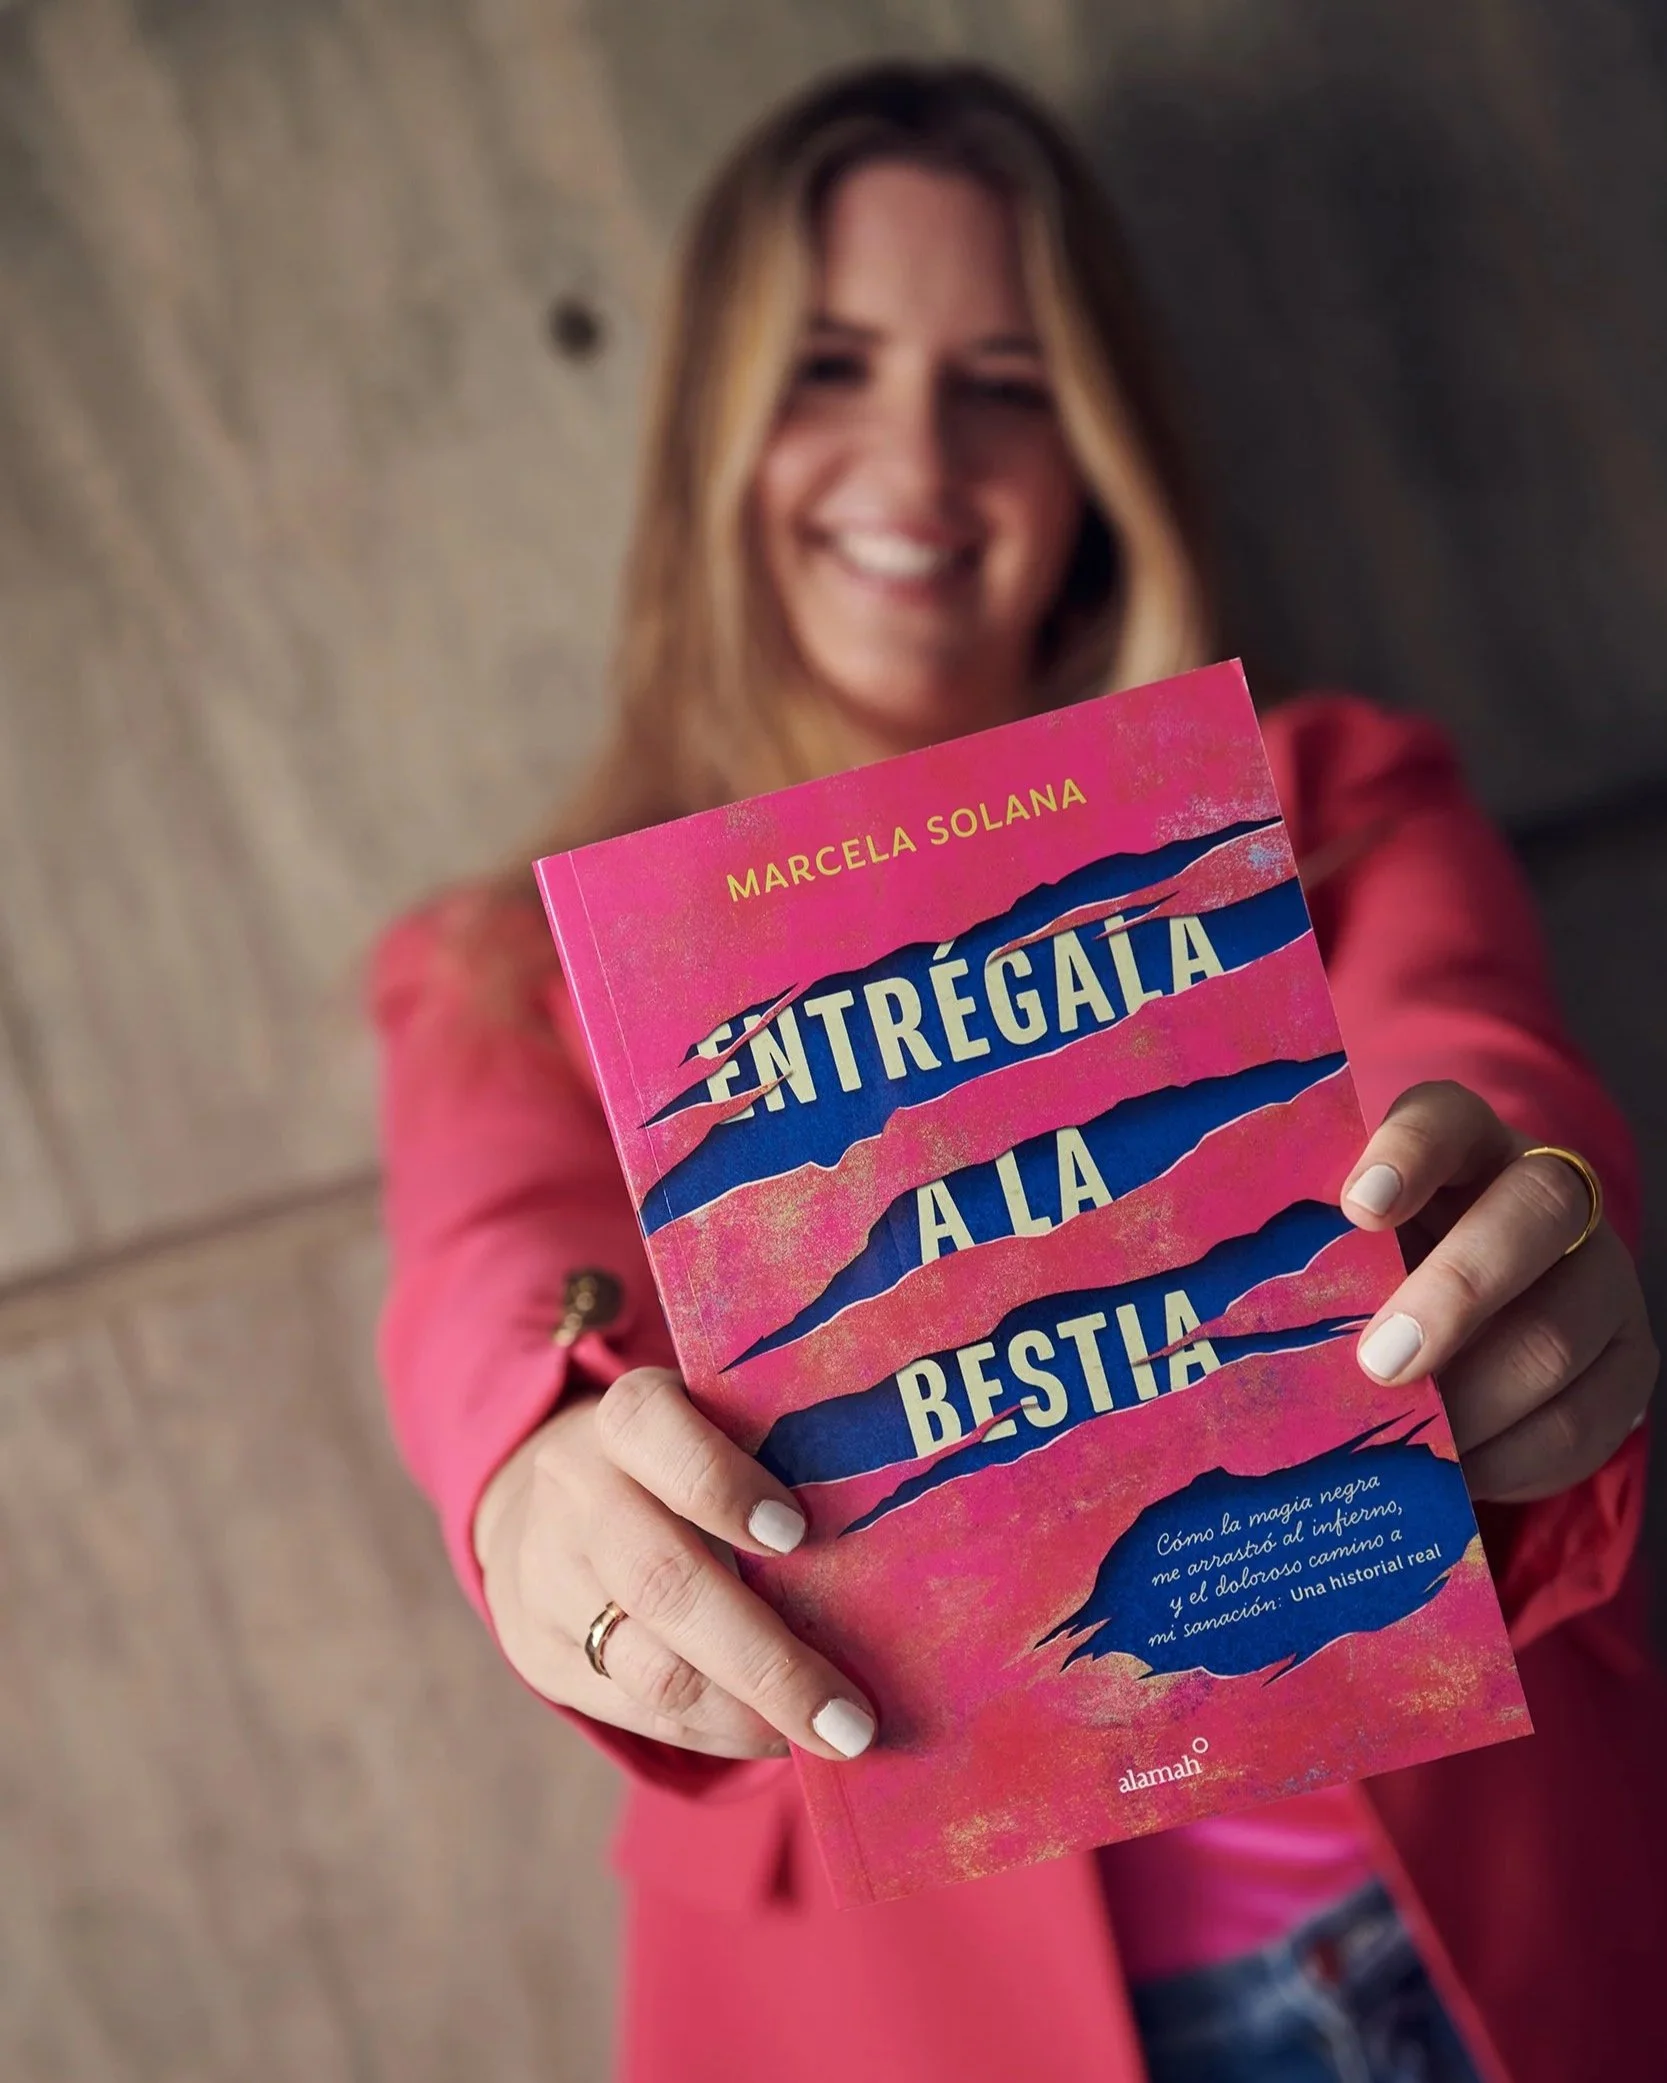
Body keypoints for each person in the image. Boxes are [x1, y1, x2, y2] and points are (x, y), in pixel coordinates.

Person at [370, 61, 1665, 2083]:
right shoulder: (501, 981)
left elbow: (1470, 1048)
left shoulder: (1323, 804)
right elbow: (483, 1272)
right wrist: (536, 1476)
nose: (918, 457)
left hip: (1488, 1932)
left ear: (1091, 452)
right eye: (826, 367)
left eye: (1002, 379)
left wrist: (1515, 1210)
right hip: (900, 2021)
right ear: (706, 432)